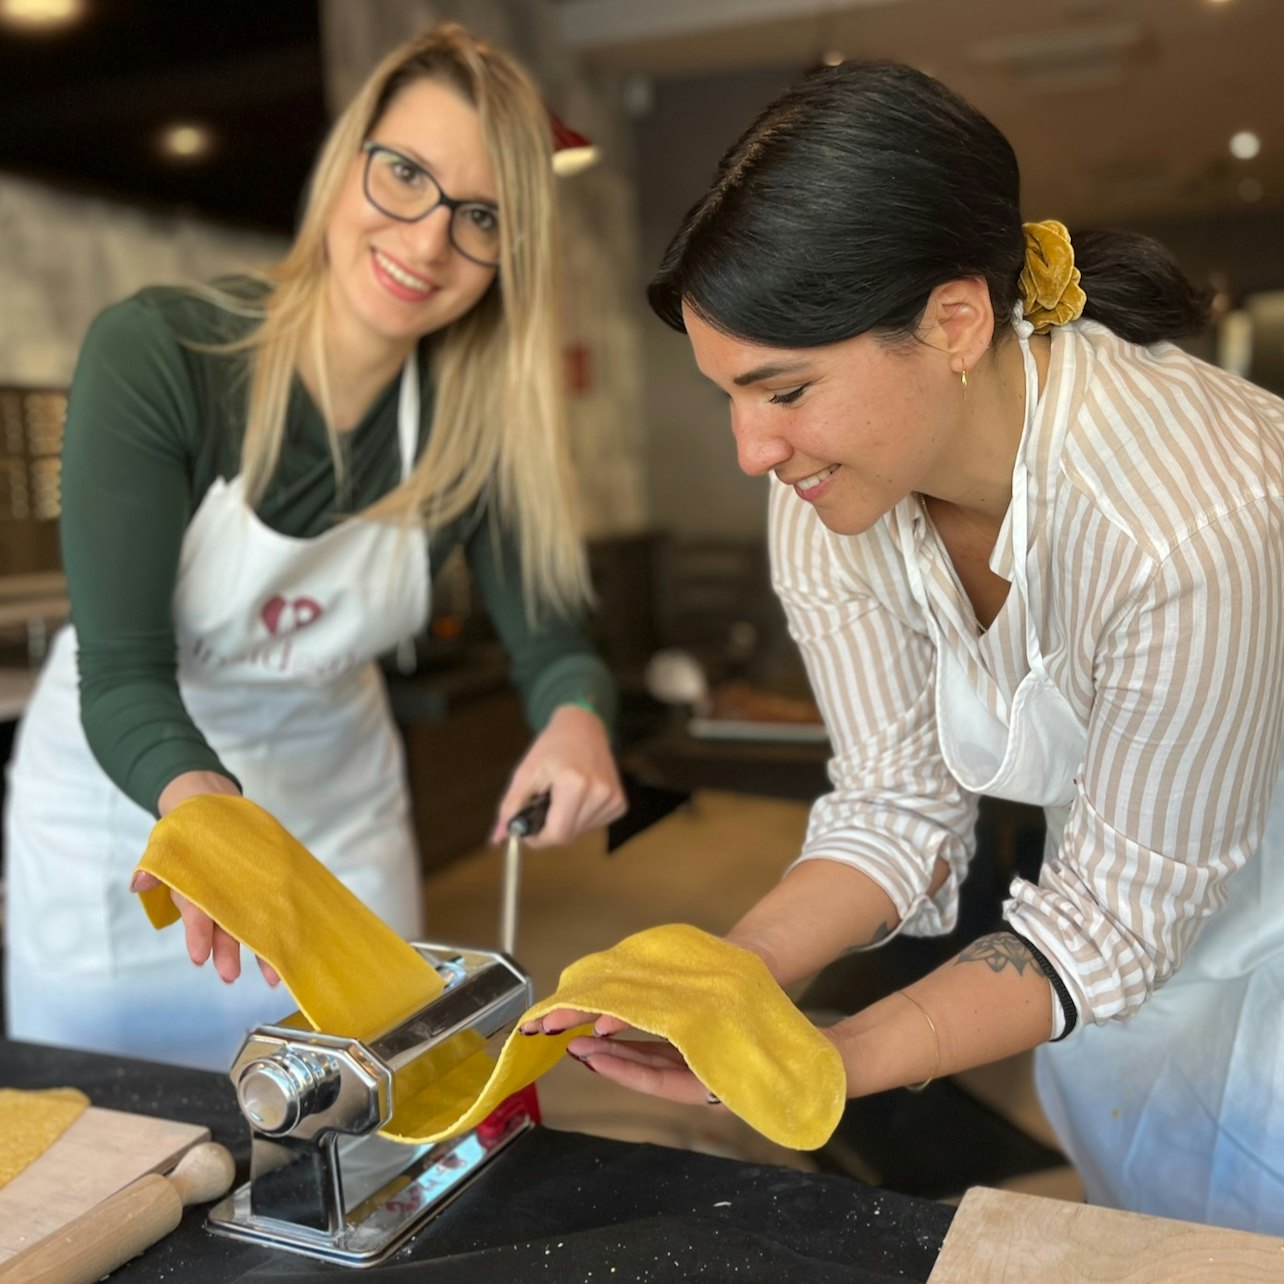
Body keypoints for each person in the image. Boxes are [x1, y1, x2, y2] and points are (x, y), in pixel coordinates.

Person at [533, 61, 1284, 1234]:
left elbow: (1118, 921)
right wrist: (728, 986)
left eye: (783, 389)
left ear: (954, 321)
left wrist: (823, 1062)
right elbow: (895, 805)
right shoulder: (835, 491)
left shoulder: (1187, 522)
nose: (751, 450)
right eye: (728, 394)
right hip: (1123, 970)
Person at [4, 23, 626, 1071]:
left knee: (367, 1111)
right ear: (348, 164)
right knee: (125, 1147)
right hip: (140, 824)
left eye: (482, 216)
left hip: (338, 825)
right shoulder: (165, 353)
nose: (429, 242)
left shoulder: (479, 420)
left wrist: (575, 721)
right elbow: (118, 675)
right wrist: (202, 815)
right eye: (406, 176)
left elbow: (551, 643)